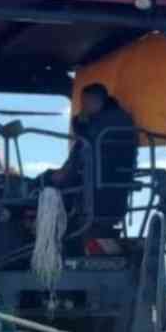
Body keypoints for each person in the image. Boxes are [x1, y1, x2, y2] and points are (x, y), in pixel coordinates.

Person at [48, 83, 137, 238]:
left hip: (99, 184)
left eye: (85, 103)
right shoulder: (108, 119)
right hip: (104, 183)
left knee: (45, 184)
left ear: (95, 101)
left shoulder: (108, 123)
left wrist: (65, 174)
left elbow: (86, 153)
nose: (83, 107)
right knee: (50, 178)